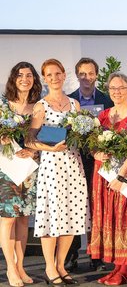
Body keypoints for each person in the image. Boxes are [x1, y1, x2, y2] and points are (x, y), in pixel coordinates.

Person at [26, 58, 88, 286]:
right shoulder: (41, 106)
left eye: (57, 73)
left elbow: (81, 136)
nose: (54, 78)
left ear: (64, 75)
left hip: (73, 164)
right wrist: (50, 147)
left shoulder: (75, 105)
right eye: (49, 75)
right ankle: (49, 267)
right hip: (51, 167)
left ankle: (61, 265)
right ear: (44, 79)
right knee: (51, 217)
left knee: (71, 216)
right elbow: (29, 141)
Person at [87, 72, 127, 285]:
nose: (117, 92)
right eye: (113, 88)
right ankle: (117, 267)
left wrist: (122, 176)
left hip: (126, 176)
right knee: (110, 219)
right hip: (104, 176)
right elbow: (93, 144)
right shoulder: (103, 115)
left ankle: (126, 268)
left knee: (126, 218)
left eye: (121, 88)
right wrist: (96, 153)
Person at [66, 57, 113, 272]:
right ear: (77, 76)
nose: (86, 78)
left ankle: (97, 255)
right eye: (82, 74)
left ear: (96, 75)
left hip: (100, 162)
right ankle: (71, 255)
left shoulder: (107, 99)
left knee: (97, 208)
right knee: (74, 207)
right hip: (74, 160)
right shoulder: (68, 101)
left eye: (90, 73)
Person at [0, 62, 42, 287]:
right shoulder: (3, 105)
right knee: (7, 219)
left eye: (29, 75)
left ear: (34, 79)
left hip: (28, 169)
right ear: (13, 79)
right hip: (6, 169)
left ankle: (21, 266)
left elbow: (38, 137)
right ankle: (10, 269)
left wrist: (33, 150)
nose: (24, 79)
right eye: (19, 75)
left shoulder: (38, 106)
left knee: (24, 219)